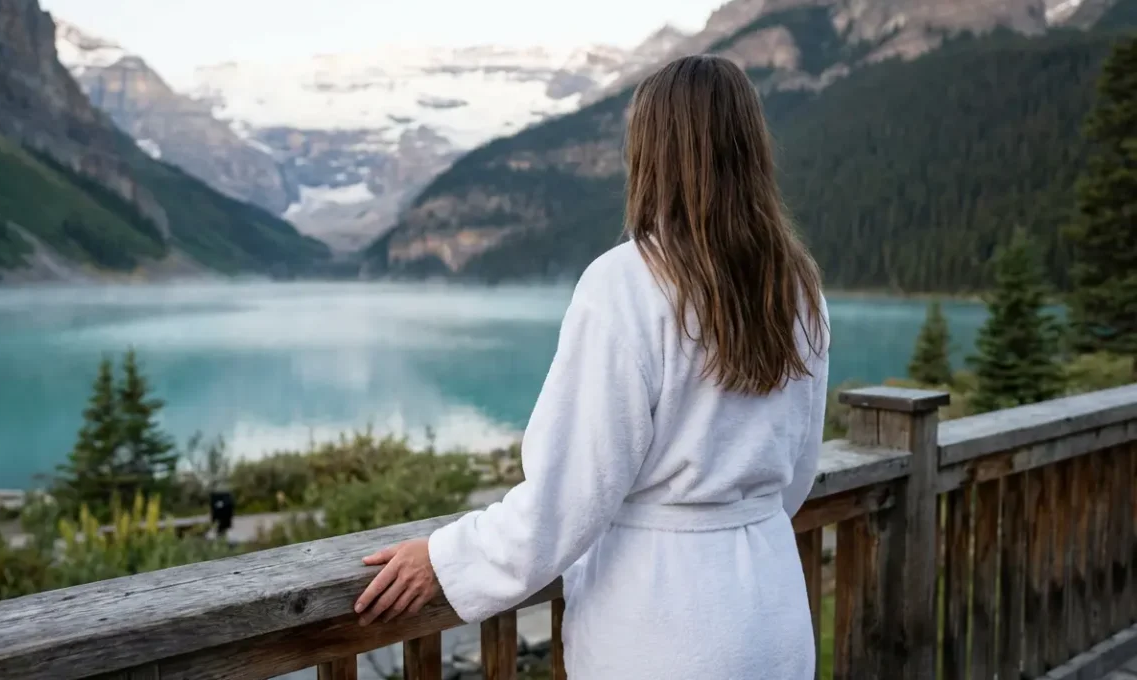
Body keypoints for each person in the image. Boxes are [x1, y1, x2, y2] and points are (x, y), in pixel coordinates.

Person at [354, 54, 830, 679]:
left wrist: (445, 559)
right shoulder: (796, 286)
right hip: (771, 611)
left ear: (651, 153)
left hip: (663, 628)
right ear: (750, 148)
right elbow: (796, 473)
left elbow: (570, 492)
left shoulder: (626, 283)